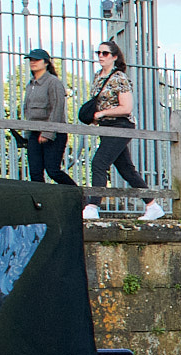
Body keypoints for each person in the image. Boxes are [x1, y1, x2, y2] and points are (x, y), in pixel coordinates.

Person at [82, 41, 165, 222]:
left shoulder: (119, 77)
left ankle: (92, 206)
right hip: (105, 127)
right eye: (99, 53)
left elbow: (127, 107)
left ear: (114, 56)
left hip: (120, 126)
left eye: (105, 53)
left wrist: (103, 113)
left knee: (99, 163)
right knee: (127, 170)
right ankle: (152, 206)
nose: (101, 56)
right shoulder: (98, 77)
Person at [20, 48, 75, 187]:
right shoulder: (30, 85)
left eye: (37, 60)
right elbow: (28, 111)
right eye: (31, 60)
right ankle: (40, 205)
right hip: (34, 133)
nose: (33, 62)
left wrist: (48, 132)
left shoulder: (53, 82)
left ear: (46, 63)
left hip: (54, 133)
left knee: (53, 171)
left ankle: (78, 195)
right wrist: (27, 134)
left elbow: (57, 108)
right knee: (35, 173)